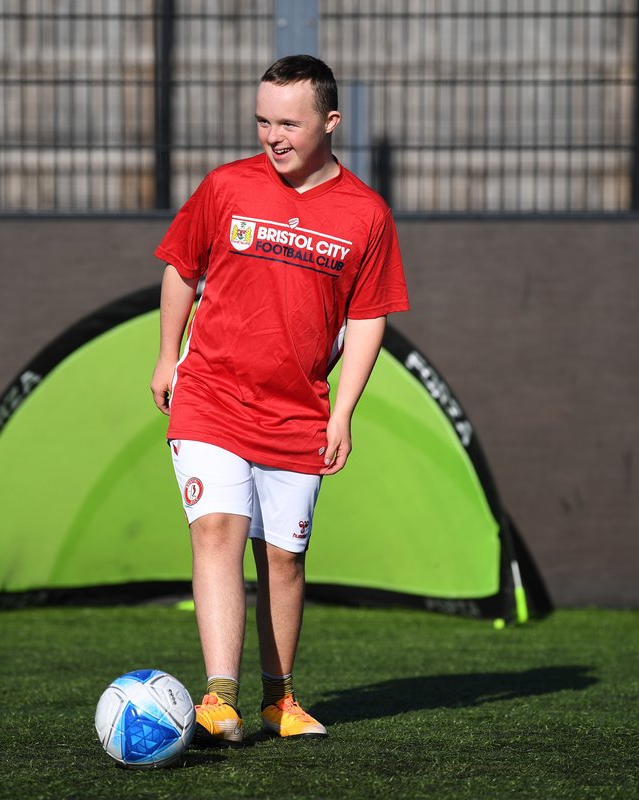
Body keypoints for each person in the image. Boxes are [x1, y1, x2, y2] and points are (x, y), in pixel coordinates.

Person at [149, 54, 409, 745]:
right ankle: (219, 698)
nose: (273, 135)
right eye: (263, 120)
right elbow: (181, 266)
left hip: (298, 412)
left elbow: (368, 317)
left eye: (289, 123)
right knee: (216, 531)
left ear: (331, 122)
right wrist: (167, 354)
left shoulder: (366, 214)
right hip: (210, 396)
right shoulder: (226, 187)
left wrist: (343, 412)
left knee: (284, 560)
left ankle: (279, 699)